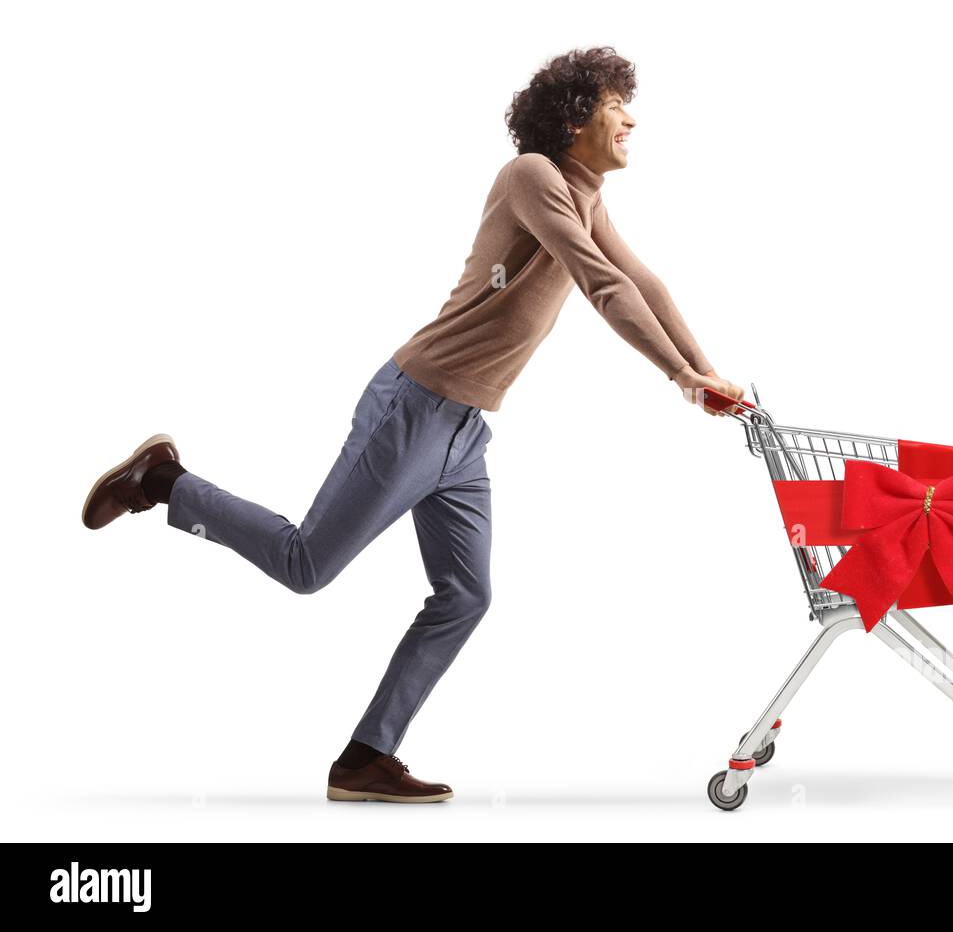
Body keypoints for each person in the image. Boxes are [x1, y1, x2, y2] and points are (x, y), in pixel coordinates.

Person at [81, 46, 744, 804]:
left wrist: (705, 367)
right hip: (416, 407)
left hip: (464, 434)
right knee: (307, 567)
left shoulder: (586, 195)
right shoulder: (532, 176)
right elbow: (601, 284)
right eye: (613, 104)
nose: (630, 117)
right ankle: (165, 481)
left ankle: (365, 757)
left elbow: (641, 280)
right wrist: (680, 378)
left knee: (465, 594)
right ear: (570, 119)